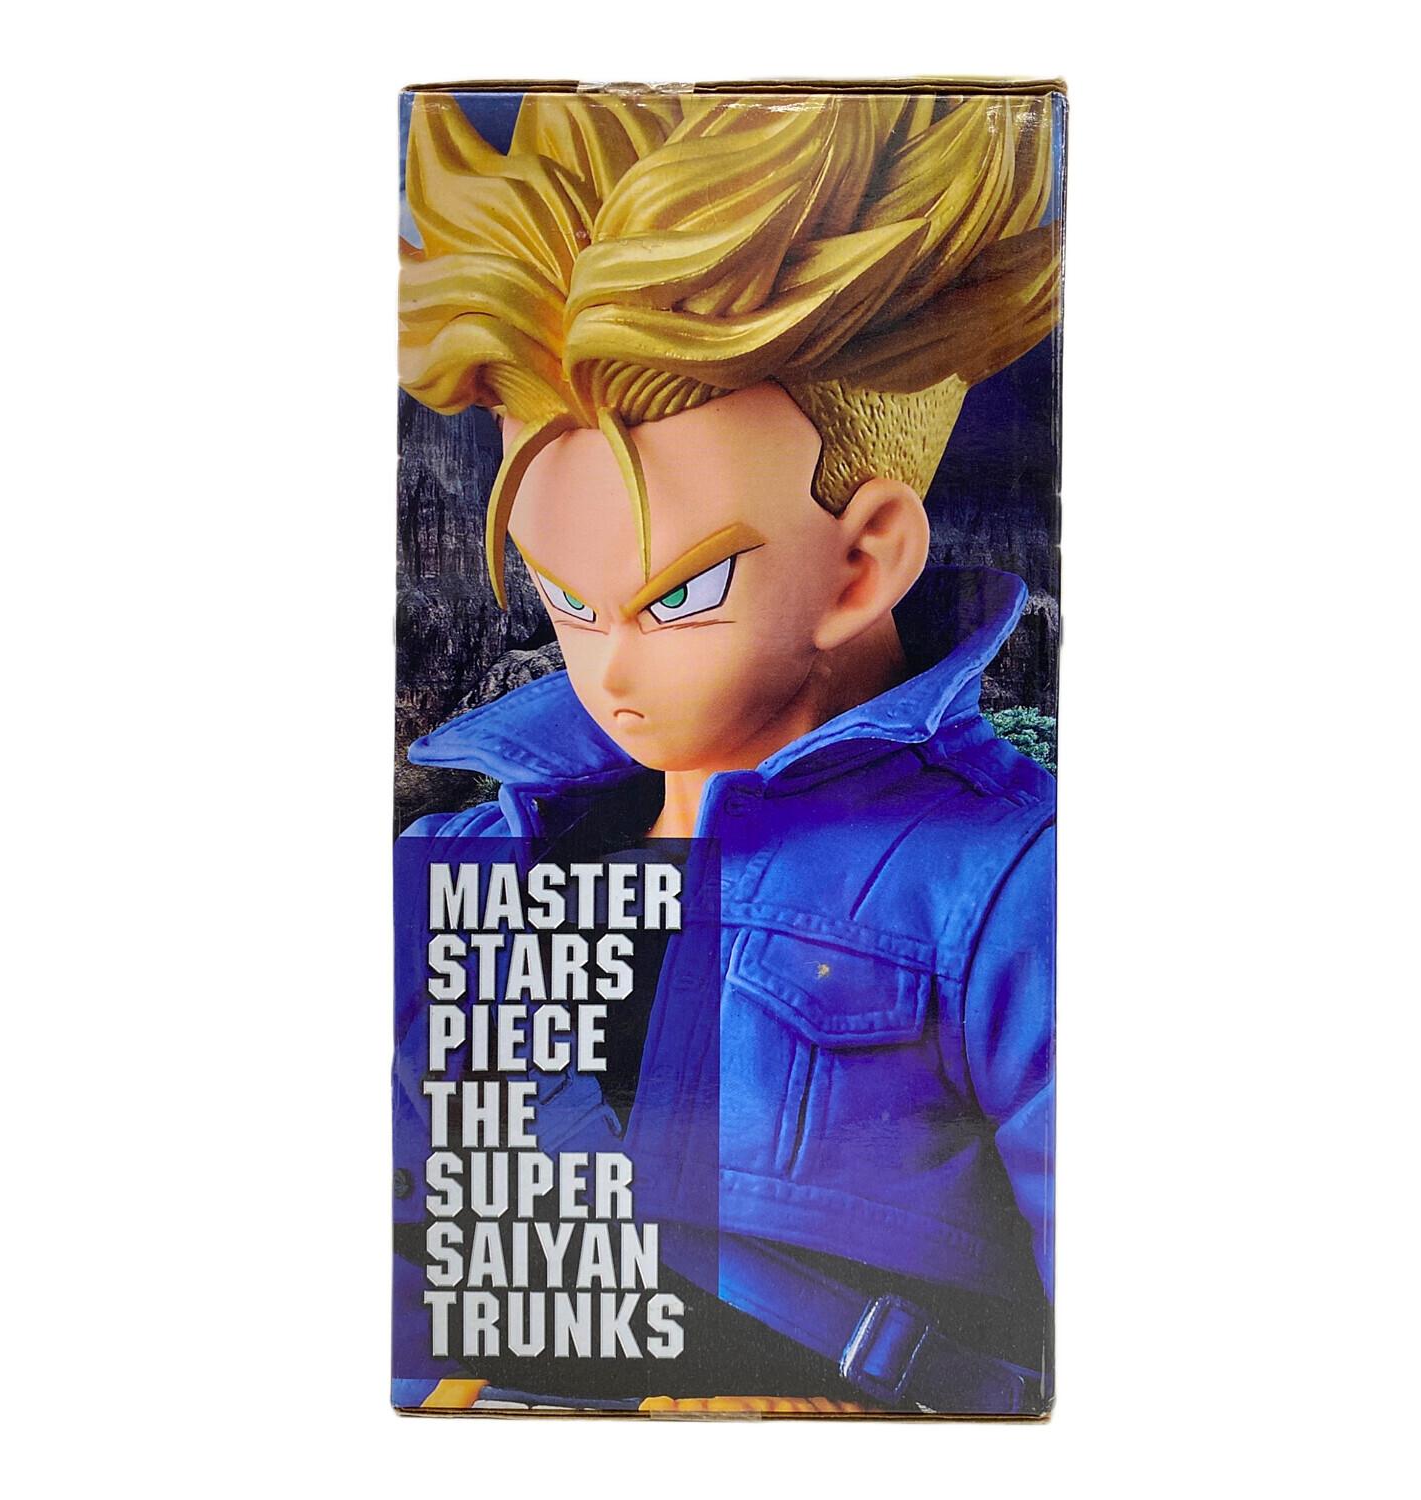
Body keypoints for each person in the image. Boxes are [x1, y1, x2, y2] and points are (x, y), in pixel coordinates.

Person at [394, 87, 1061, 1414]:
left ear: (865, 560)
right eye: (565, 598)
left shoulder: (1007, 887)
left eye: (681, 594)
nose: (610, 666)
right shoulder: (451, 866)